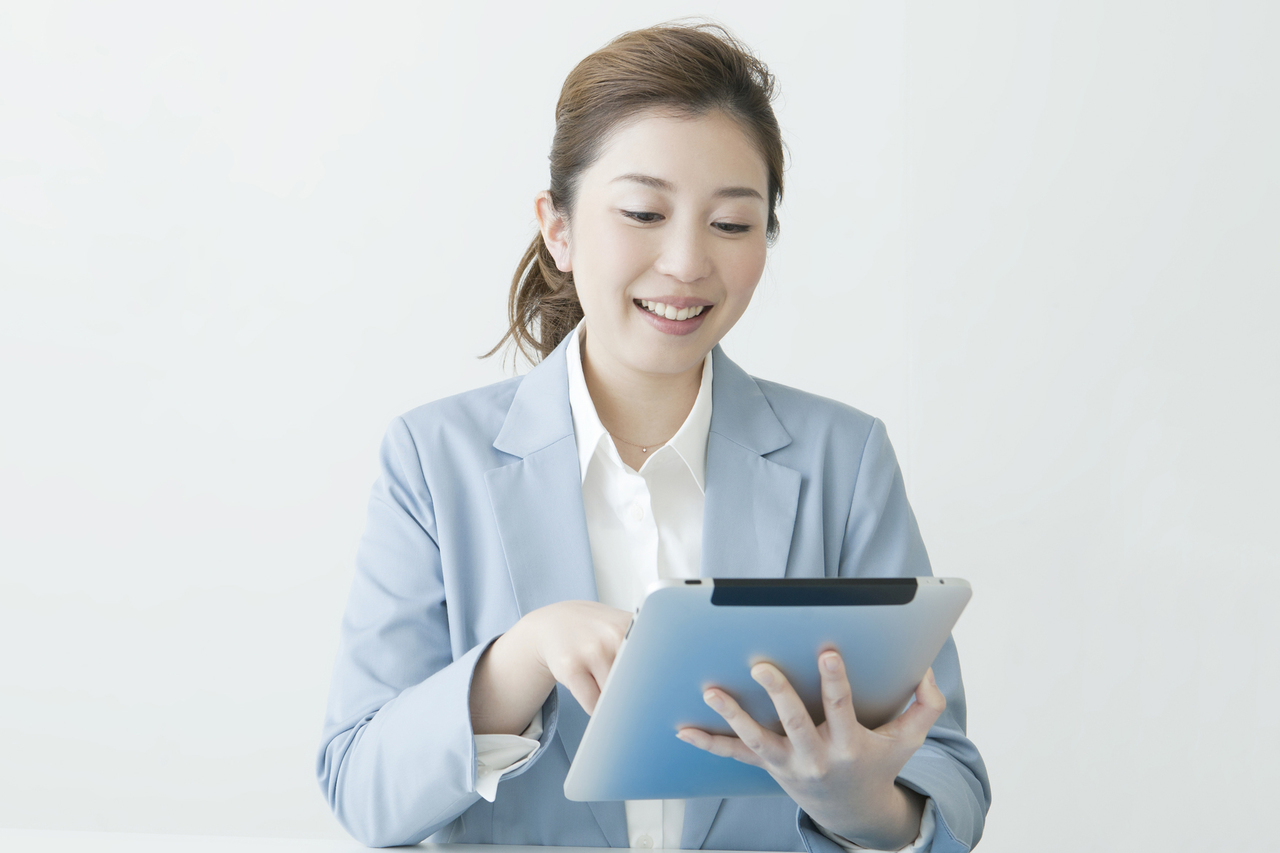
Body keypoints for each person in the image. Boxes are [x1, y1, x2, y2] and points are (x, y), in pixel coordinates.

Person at [316, 20, 990, 852]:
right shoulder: (433, 458)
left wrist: (858, 804)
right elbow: (363, 790)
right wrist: (520, 658)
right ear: (558, 228)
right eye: (643, 211)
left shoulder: (843, 462)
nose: (686, 262)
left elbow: (951, 778)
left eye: (732, 224)